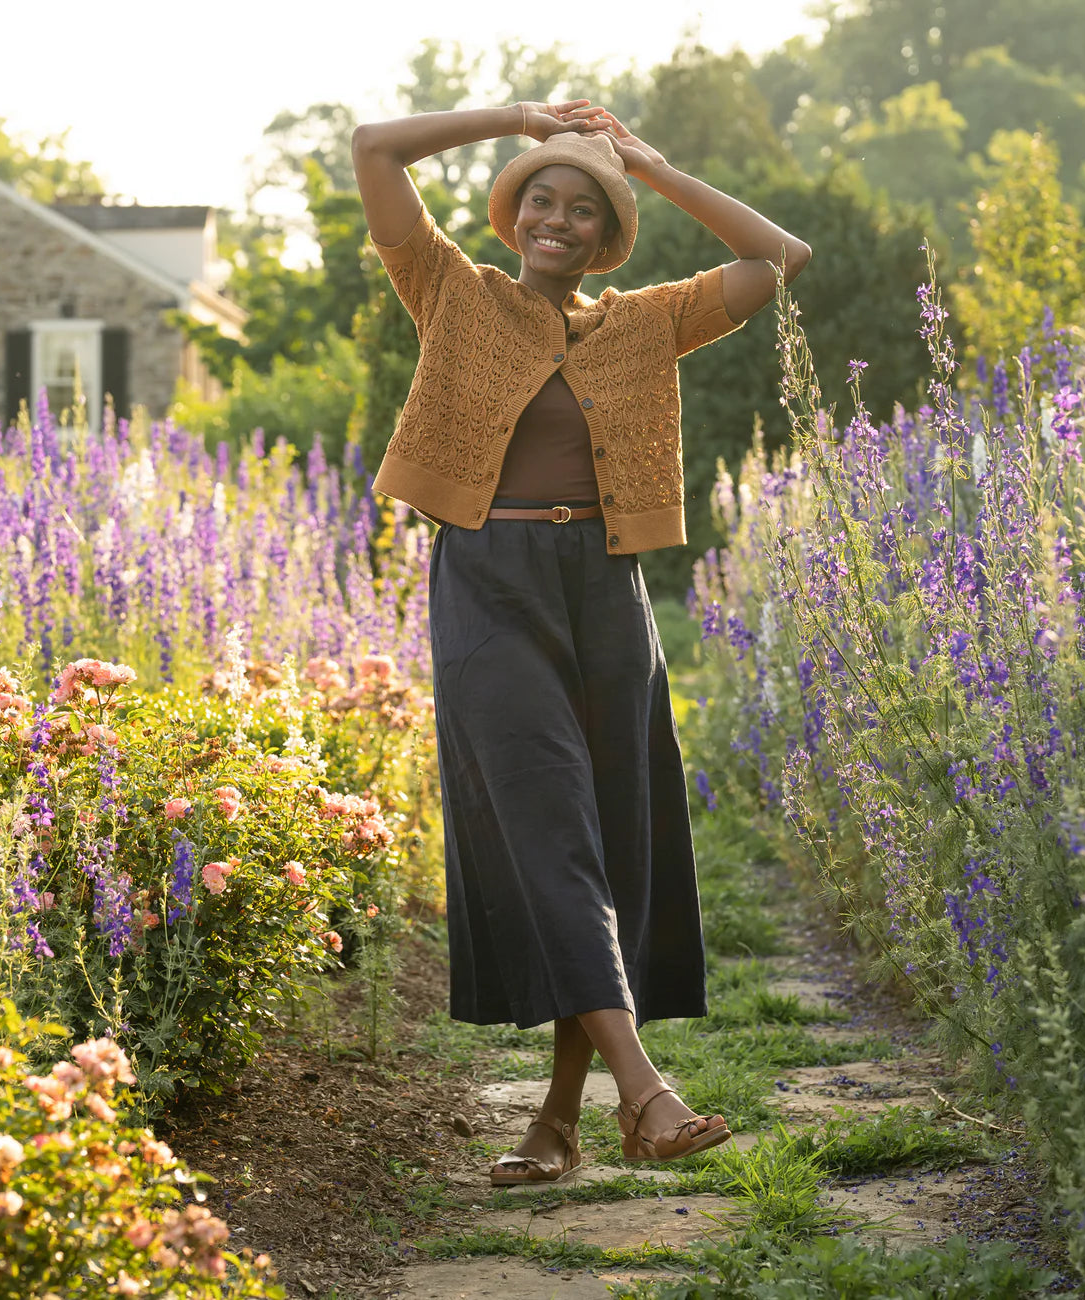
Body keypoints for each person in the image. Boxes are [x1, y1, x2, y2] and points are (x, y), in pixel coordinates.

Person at [351, 99, 810, 1185]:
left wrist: (650, 164)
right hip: (491, 584)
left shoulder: (646, 320)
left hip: (608, 590)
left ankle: (556, 1121)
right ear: (515, 219)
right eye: (540, 201)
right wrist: (516, 116)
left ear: (608, 235)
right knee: (547, 822)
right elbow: (375, 147)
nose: (557, 220)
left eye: (583, 209)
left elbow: (776, 256)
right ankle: (645, 1091)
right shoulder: (452, 293)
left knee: (600, 838)